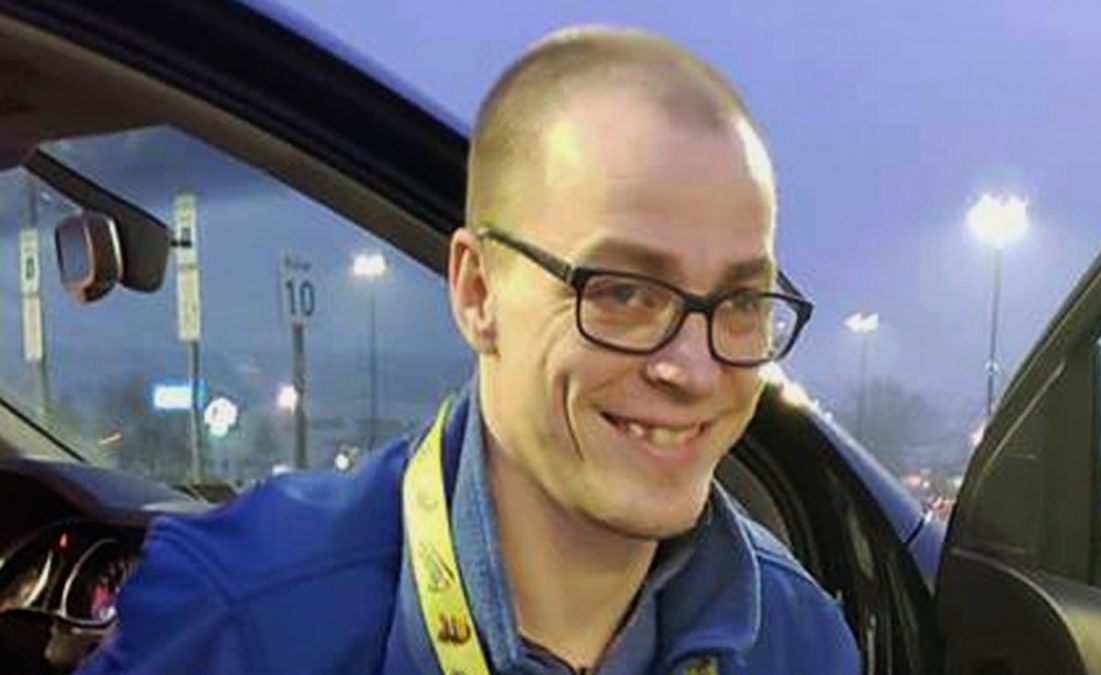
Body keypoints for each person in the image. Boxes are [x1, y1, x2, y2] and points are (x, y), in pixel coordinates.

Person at [78, 26, 859, 675]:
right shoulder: (244, 611)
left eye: (742, 303)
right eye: (623, 292)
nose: (693, 368)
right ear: (477, 291)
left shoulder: (800, 638)